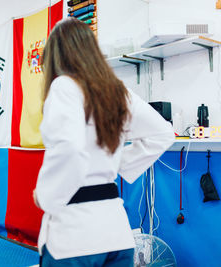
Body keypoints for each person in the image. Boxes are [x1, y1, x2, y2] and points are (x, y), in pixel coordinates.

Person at [33, 18, 175, 266]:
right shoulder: (117, 90)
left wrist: (45, 196)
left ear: (56, 56)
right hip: (116, 232)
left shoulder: (64, 86)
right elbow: (163, 133)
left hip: (74, 235)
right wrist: (117, 163)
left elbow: (71, 149)